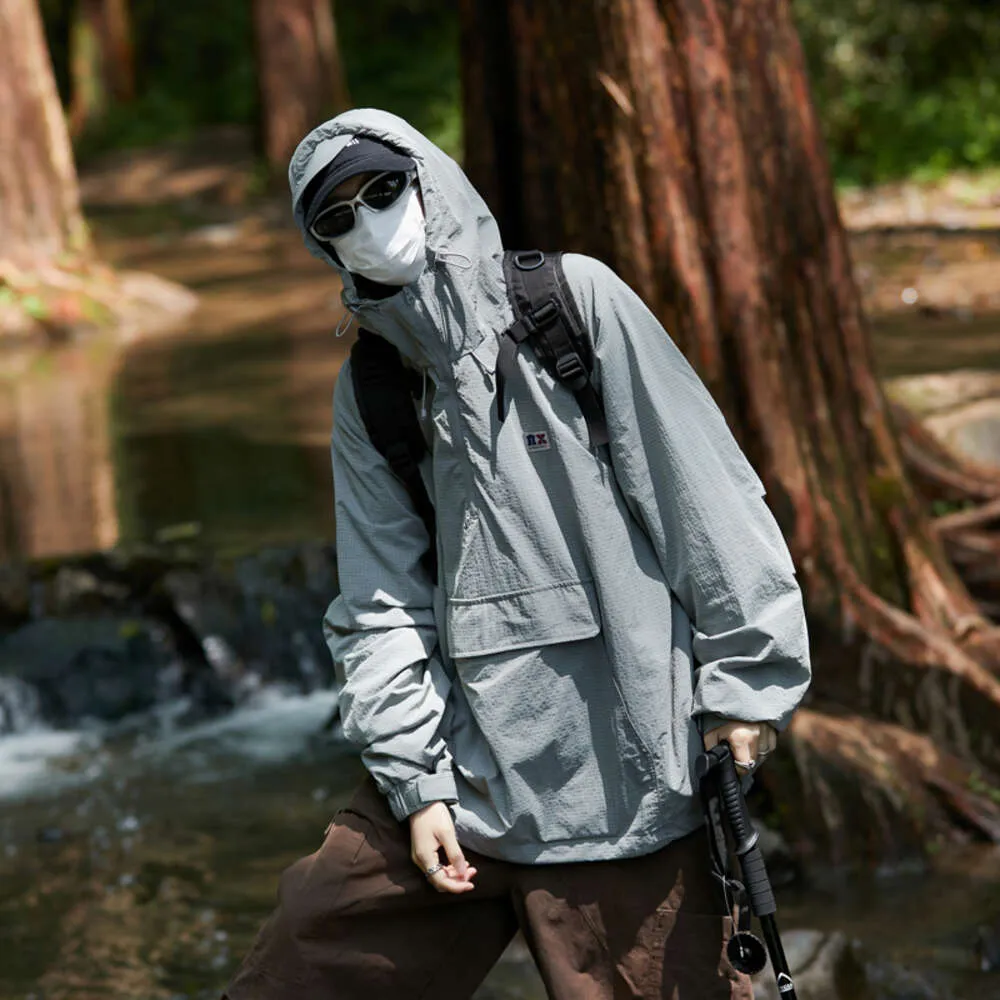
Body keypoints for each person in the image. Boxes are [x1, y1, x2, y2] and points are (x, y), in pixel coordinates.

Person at [223, 108, 812, 1000]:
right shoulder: (373, 386)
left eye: (382, 190)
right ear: (323, 249)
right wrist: (415, 781)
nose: (367, 223)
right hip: (461, 787)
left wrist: (747, 687)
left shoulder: (574, 304)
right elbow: (383, 603)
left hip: (631, 785)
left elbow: (708, 501)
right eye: (335, 217)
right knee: (294, 963)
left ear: (430, 180)